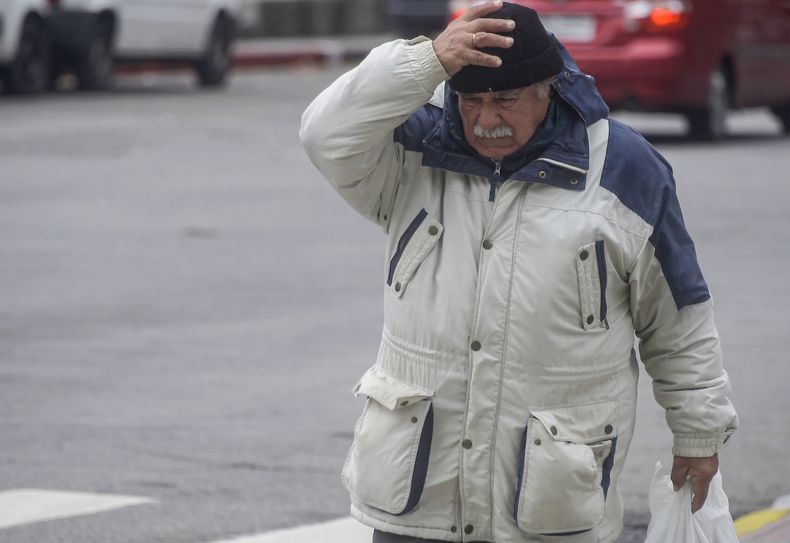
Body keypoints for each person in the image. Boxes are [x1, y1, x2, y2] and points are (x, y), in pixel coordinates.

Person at [300, 2, 738, 542]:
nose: (486, 120)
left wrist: (698, 432)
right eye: (471, 101)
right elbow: (324, 134)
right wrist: (426, 62)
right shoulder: (415, 149)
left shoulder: (625, 167)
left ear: (547, 89)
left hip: (549, 501)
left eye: (505, 100)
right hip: (416, 495)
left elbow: (678, 317)